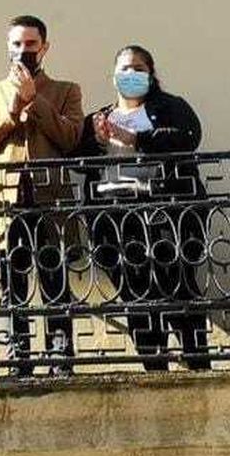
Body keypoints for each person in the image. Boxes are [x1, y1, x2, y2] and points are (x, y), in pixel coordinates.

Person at [78, 45, 209, 372]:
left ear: (151, 74)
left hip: (167, 214)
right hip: (116, 219)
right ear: (113, 76)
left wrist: (136, 138)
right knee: (136, 293)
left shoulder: (172, 107)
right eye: (124, 68)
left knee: (179, 287)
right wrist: (95, 141)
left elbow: (187, 138)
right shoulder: (100, 117)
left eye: (138, 68)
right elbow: (76, 156)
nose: (130, 74)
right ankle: (155, 367)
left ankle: (197, 362)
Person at [0, 14, 85, 374]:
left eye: (31, 44)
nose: (23, 50)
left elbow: (71, 138)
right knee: (12, 281)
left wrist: (36, 102)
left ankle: (60, 356)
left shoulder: (67, 90)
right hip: (6, 201)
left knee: (55, 278)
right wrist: (13, 109)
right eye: (17, 44)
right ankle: (20, 356)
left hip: (50, 199)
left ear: (44, 47)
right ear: (8, 46)